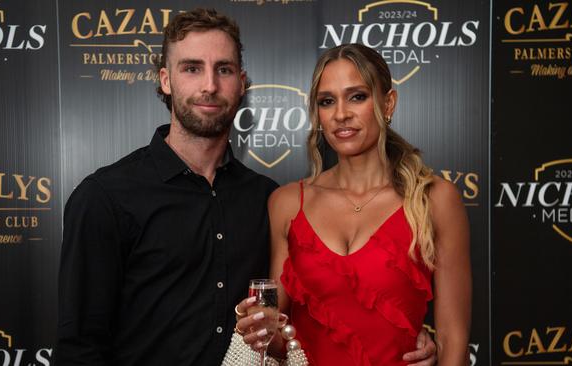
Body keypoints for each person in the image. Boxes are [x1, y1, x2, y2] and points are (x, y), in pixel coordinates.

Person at [54, 8, 438, 366]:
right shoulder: (105, 197)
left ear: (242, 83)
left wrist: (407, 336)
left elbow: (309, 309)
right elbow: (80, 348)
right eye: (191, 68)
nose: (209, 85)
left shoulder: (267, 199)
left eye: (223, 69)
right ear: (166, 80)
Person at [235, 44, 471, 366]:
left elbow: (452, 339)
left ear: (388, 103)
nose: (341, 113)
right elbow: (281, 340)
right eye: (327, 101)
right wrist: (260, 331)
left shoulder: (435, 199)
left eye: (357, 96)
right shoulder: (288, 203)